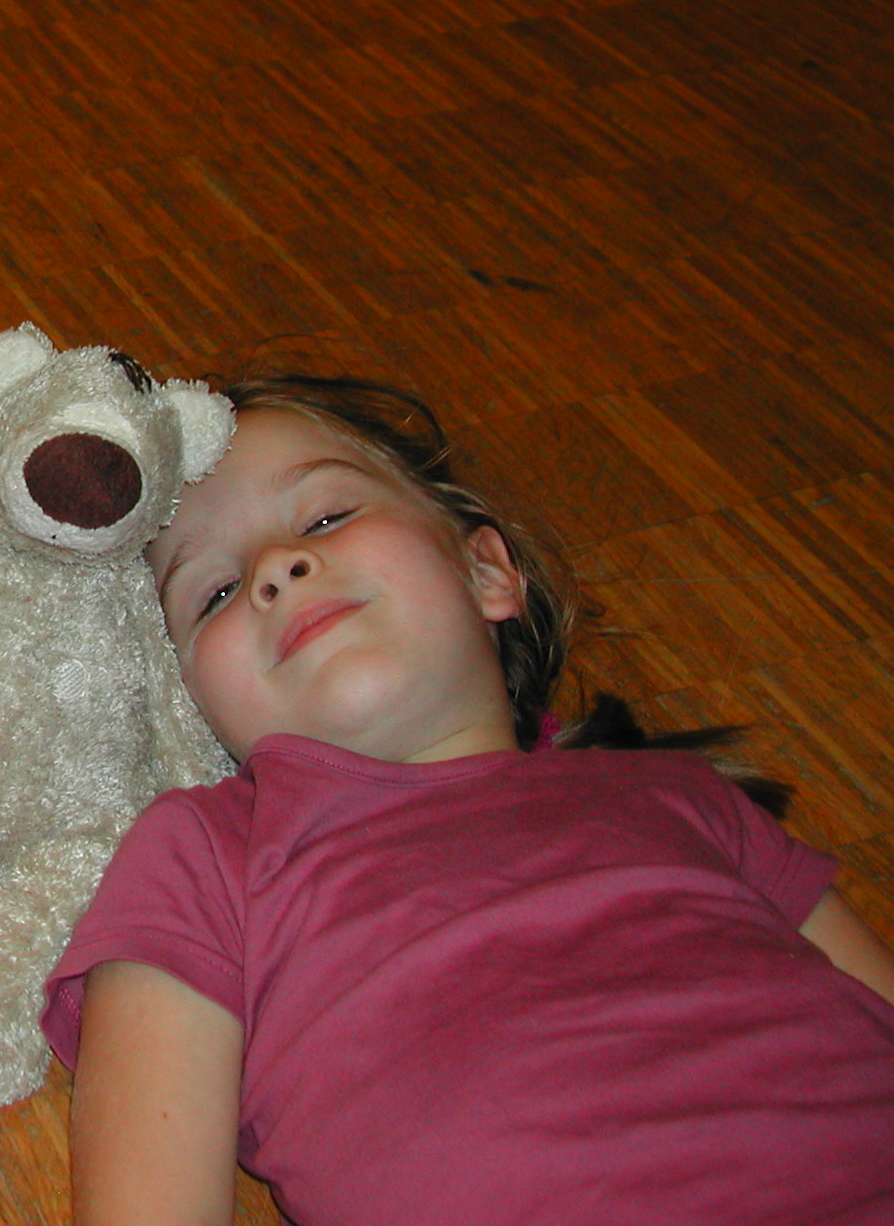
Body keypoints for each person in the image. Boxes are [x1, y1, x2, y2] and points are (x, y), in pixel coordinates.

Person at [44, 374, 894, 1226]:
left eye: (326, 518)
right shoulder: (204, 852)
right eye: (216, 594)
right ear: (187, 706)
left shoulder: (681, 795)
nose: (276, 567)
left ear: (486, 570)